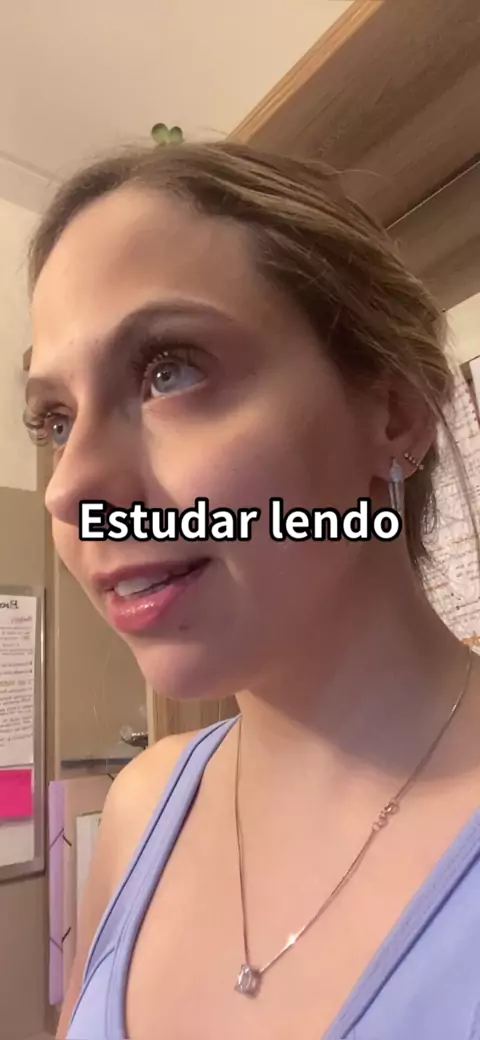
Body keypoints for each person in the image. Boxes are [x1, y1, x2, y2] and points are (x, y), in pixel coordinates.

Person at [25, 142, 480, 1040]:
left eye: (169, 370)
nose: (68, 487)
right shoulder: (141, 809)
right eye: (55, 419)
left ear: (393, 413)